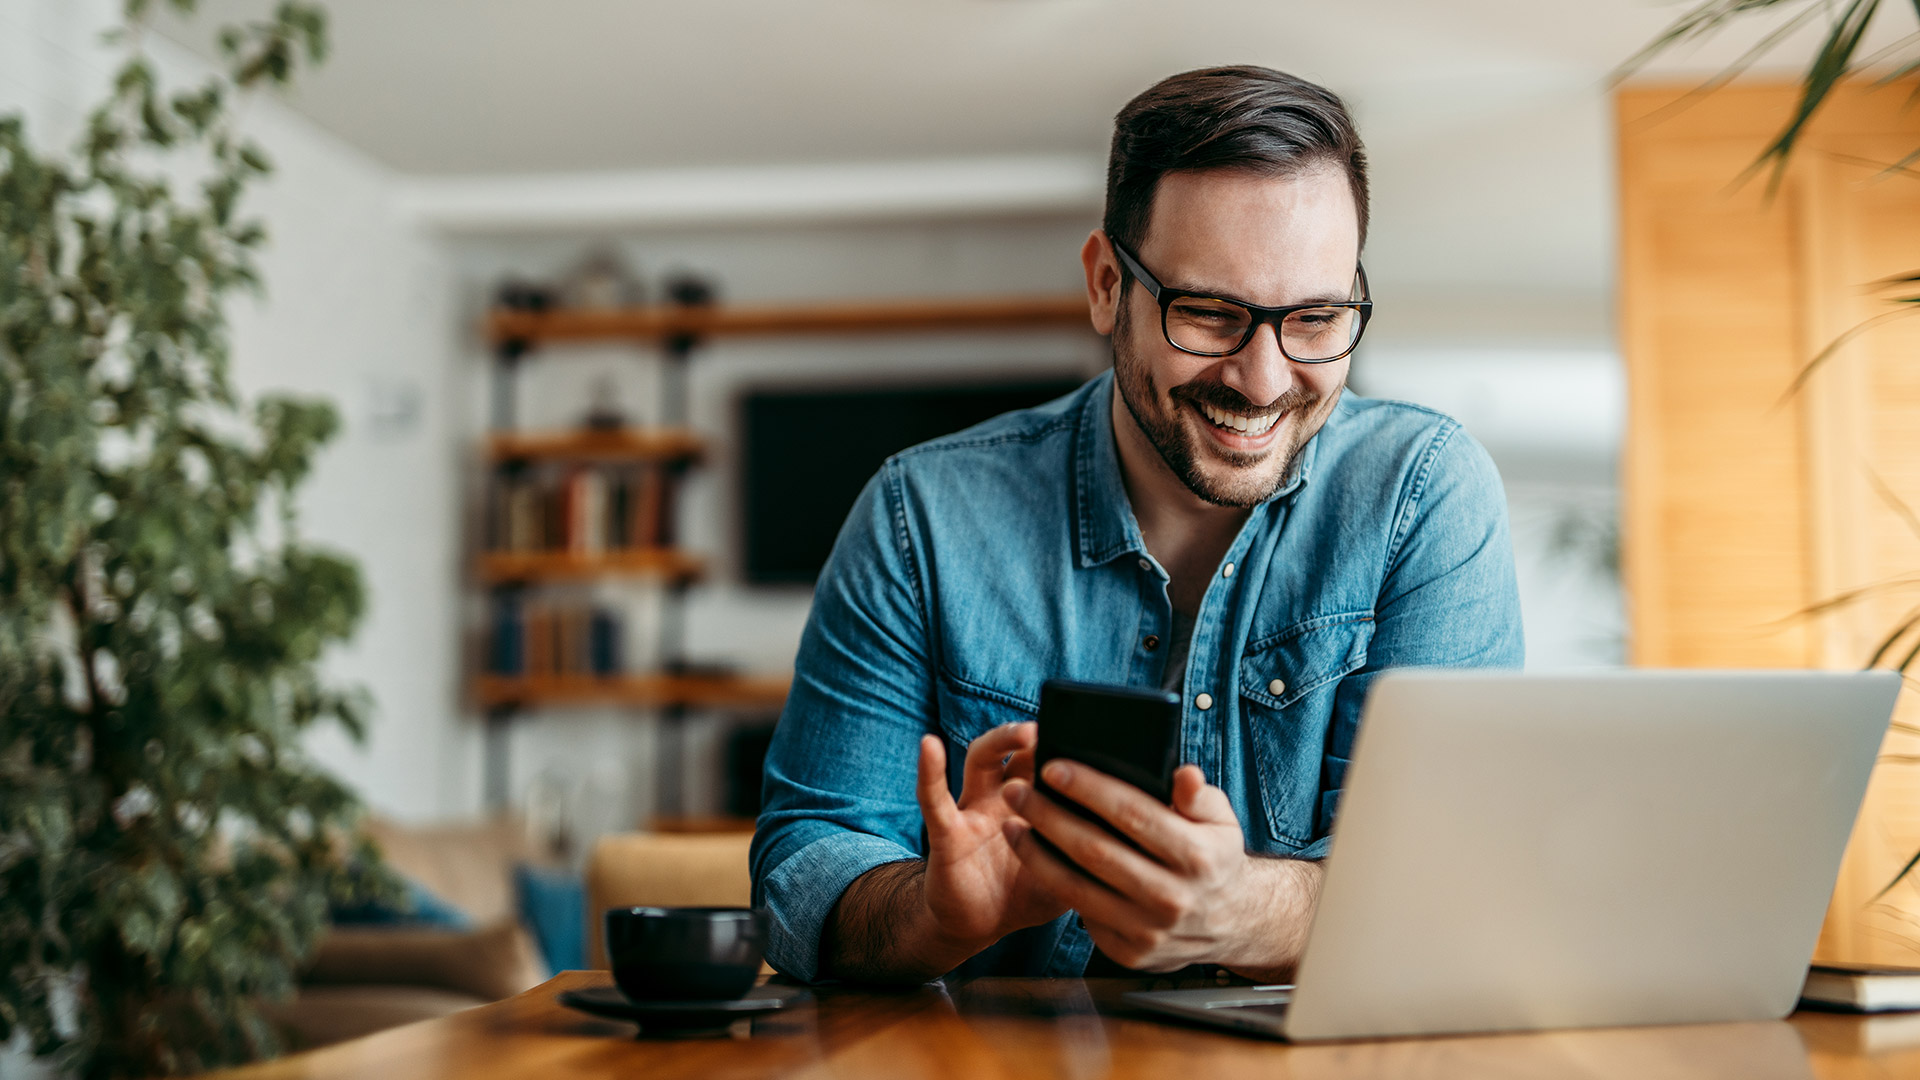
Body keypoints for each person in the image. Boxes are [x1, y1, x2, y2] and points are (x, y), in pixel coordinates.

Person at [750, 65, 1524, 984]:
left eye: (1316, 318)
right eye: (1211, 313)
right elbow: (801, 874)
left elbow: (1456, 890)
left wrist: (1245, 913)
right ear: (1108, 285)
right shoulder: (920, 516)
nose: (1265, 380)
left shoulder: (1423, 494)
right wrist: (936, 913)